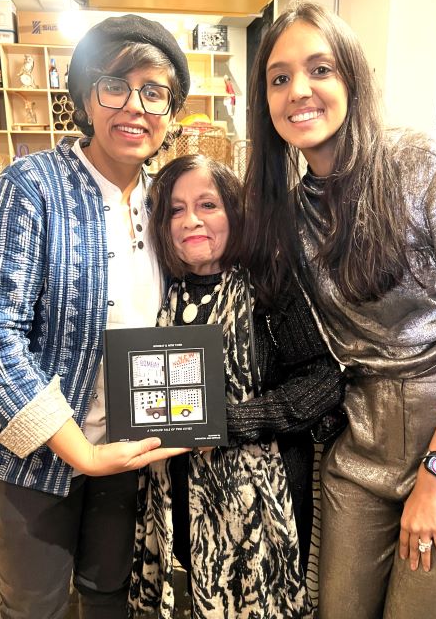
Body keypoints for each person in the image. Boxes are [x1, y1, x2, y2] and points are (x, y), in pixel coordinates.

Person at [242, 0, 436, 619]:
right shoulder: (288, 213)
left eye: (319, 68)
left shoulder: (431, 166)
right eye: (279, 77)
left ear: (352, 76)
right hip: (359, 440)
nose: (299, 89)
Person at [0, 14, 192, 619]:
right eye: (115, 85)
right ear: (87, 96)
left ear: (170, 111)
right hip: (27, 455)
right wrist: (77, 451)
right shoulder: (29, 187)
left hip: (124, 442)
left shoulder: (163, 199)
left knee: (109, 590)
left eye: (154, 91)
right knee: (36, 604)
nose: (134, 106)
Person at [128, 154, 346, 619]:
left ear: (233, 211)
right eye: (175, 209)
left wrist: (231, 421)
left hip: (261, 501)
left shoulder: (268, 287)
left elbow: (325, 379)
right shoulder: (160, 293)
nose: (191, 221)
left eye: (207, 205)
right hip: (179, 491)